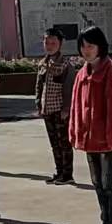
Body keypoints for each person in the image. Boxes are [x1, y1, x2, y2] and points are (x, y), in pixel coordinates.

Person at [70, 25, 112, 224]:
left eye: (91, 46)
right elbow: (76, 107)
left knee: (109, 182)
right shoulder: (82, 74)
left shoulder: (109, 74)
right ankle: (105, 222)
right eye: (83, 46)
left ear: (100, 47)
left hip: (107, 140)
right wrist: (76, 133)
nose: (86, 50)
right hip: (90, 138)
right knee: (97, 182)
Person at [35, 24, 74, 186]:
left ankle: (67, 174)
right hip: (47, 110)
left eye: (53, 43)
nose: (49, 46)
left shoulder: (65, 65)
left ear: (60, 44)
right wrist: (38, 105)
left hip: (60, 110)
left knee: (64, 143)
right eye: (47, 43)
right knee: (54, 144)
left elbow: (69, 88)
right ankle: (58, 172)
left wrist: (66, 109)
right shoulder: (43, 64)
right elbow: (39, 86)